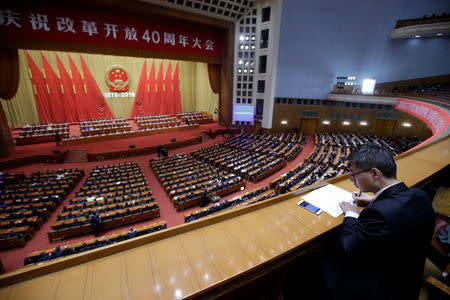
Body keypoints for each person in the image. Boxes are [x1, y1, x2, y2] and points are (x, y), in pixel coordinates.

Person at [316, 143, 435, 300]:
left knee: (313, 264)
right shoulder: (420, 195)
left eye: (353, 174)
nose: (352, 179)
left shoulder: (379, 213)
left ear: (374, 173)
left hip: (382, 288)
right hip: (410, 275)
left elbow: (348, 246)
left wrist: (351, 214)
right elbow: (397, 211)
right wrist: (374, 200)